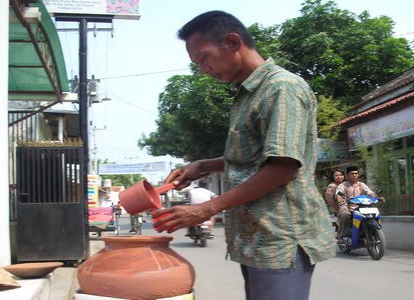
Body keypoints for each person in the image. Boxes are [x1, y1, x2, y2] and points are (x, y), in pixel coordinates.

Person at [151, 11, 335, 300]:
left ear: (232, 42)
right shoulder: (249, 93)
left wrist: (208, 208)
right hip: (256, 238)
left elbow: (283, 167)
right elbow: (254, 160)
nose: (203, 69)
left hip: (280, 238)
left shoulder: (281, 88)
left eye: (203, 58)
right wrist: (203, 166)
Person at [335, 166, 377, 244]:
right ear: (347, 175)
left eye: (356, 173)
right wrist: (340, 200)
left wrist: (375, 196)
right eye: (352, 174)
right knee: (344, 214)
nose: (354, 175)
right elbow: (338, 194)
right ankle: (341, 236)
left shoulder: (361, 185)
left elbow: (369, 192)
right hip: (347, 207)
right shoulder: (342, 186)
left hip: (361, 207)